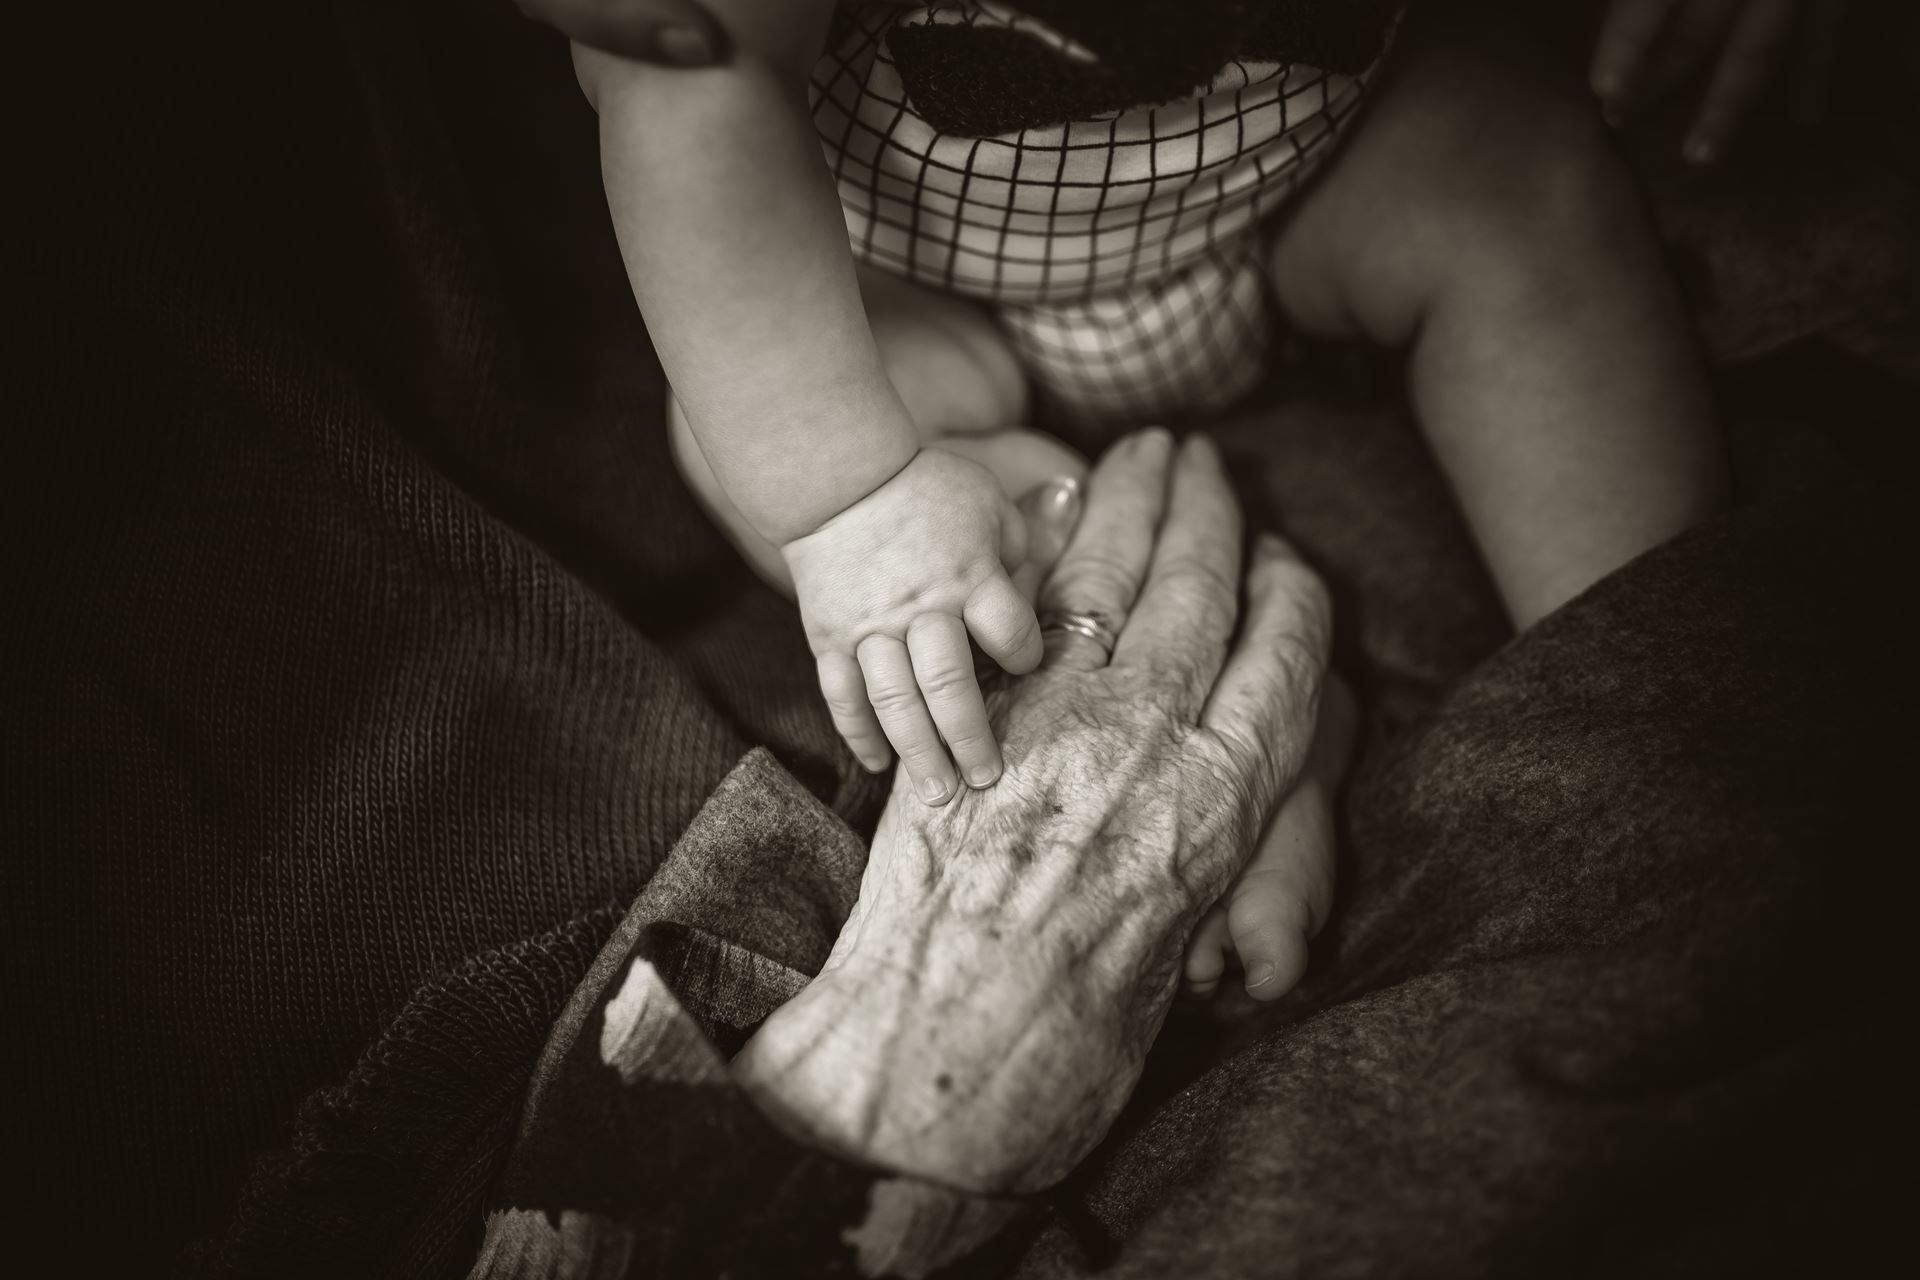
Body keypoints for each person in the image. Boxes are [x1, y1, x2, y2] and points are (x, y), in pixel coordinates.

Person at [554, 0, 1823, 998]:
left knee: (1526, 185)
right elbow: (696, 78)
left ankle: (1648, 708)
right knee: (783, 461)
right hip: (906, 275)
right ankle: (1242, 753)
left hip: (1311, 174)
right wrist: (854, 497)